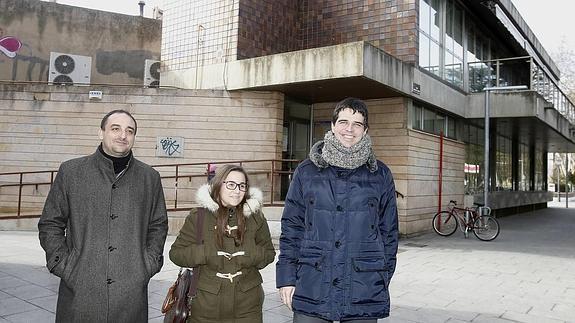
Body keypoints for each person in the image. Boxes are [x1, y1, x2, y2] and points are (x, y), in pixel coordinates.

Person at [38, 109, 168, 322]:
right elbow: (50, 222)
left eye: (130, 131)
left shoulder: (149, 177)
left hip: (130, 292)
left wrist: (148, 264)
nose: (123, 135)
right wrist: (63, 264)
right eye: (115, 128)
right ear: (101, 133)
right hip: (80, 288)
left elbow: (158, 225)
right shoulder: (71, 172)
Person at [276, 98, 399, 322]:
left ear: (365, 130)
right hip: (312, 281)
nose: (349, 129)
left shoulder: (380, 174)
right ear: (333, 126)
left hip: (363, 284)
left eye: (357, 124)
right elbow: (292, 228)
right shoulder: (306, 171)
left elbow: (389, 232)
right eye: (343, 122)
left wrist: (381, 276)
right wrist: (286, 277)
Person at [169, 164, 276, 323]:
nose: (237, 190)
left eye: (242, 186)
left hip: (248, 306)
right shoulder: (199, 216)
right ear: (219, 185)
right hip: (206, 305)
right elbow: (176, 254)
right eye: (231, 184)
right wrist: (206, 253)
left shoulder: (256, 217)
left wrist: (250, 254)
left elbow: (269, 253)